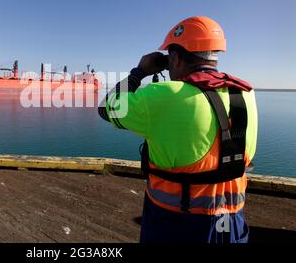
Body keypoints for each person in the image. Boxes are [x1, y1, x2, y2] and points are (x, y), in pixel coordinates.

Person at [98, 16, 258, 243]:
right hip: (231, 223)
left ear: (176, 57)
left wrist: (139, 72)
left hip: (176, 224)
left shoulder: (164, 96)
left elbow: (107, 108)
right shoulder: (245, 94)